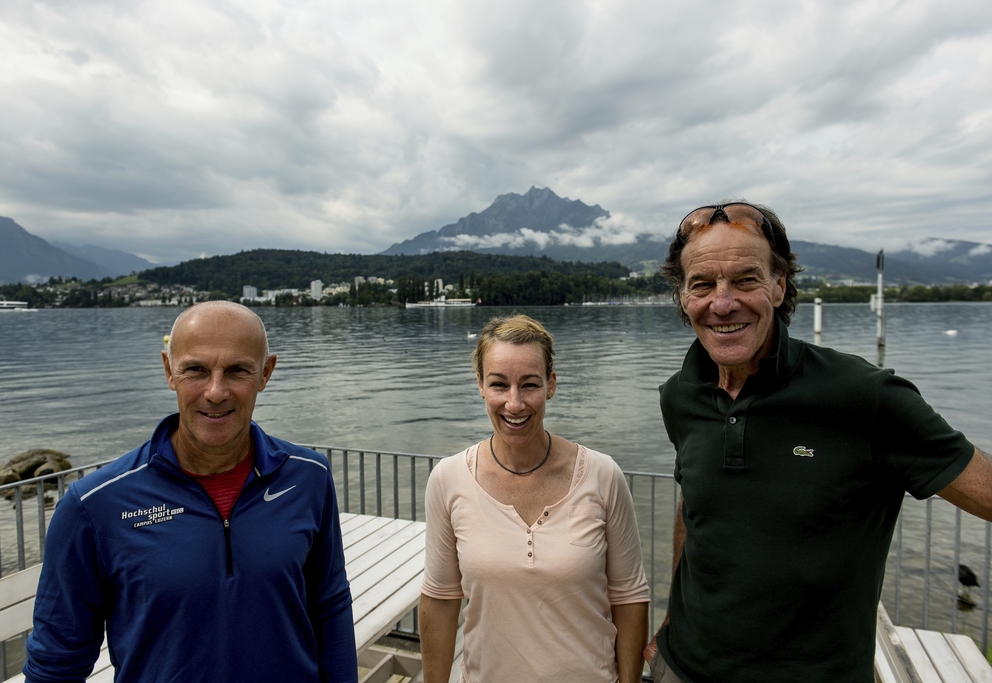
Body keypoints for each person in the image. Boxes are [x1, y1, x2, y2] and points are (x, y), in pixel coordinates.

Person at [647, 202, 992, 682]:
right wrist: (670, 618)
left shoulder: (864, 396)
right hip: (682, 667)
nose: (722, 303)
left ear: (779, 285)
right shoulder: (680, 395)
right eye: (702, 284)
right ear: (683, 297)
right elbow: (696, 506)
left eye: (746, 279)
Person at [23, 301, 357, 683]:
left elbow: (329, 603)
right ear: (169, 370)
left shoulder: (309, 477)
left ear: (266, 373)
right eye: (196, 370)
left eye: (237, 371)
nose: (216, 392)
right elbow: (57, 661)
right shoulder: (95, 505)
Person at [420, 314, 650, 683]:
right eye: (499, 384)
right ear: (480, 385)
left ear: (551, 385)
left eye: (529, 385)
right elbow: (441, 599)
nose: (514, 404)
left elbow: (629, 597)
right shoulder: (448, 479)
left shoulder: (602, 475)